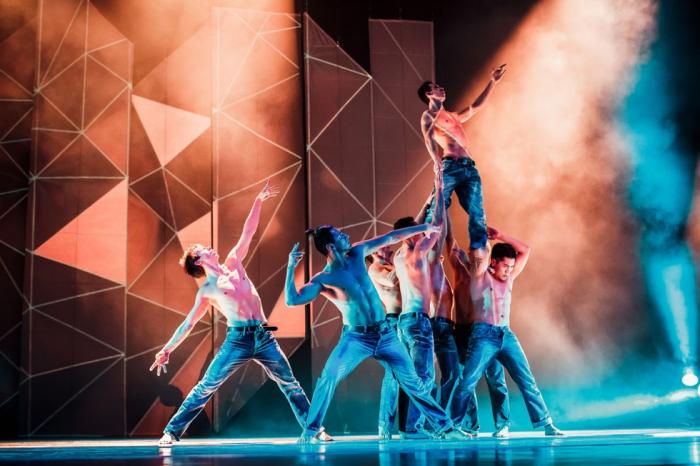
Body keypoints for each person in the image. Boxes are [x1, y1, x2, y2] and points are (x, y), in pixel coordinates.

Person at [150, 182, 329, 446]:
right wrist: (167, 349)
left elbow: (248, 232)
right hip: (238, 340)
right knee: (207, 386)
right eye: (202, 249)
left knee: (290, 383)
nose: (209, 248)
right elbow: (188, 324)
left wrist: (258, 201)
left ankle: (314, 430)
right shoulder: (207, 290)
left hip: (264, 337)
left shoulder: (234, 263)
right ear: (198, 261)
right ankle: (171, 431)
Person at [285, 220, 471, 443]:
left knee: (414, 382)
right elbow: (292, 300)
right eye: (340, 235)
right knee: (329, 377)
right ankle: (311, 431)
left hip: (385, 335)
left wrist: (424, 228)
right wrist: (290, 267)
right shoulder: (324, 279)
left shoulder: (357, 253)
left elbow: (390, 238)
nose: (346, 236)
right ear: (330, 247)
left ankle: (446, 428)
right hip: (356, 338)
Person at [447, 226, 564, 436]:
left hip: (506, 334)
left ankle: (545, 423)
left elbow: (525, 250)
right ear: (493, 262)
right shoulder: (481, 276)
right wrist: (481, 236)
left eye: (511, 266)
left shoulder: (509, 277)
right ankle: (453, 427)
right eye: (505, 266)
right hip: (483, 336)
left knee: (526, 379)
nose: (509, 270)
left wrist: (500, 235)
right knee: (468, 381)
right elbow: (477, 255)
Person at [418, 64, 506, 253]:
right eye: (436, 87)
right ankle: (425, 246)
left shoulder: (452, 116)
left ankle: (478, 252)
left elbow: (475, 107)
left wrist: (493, 82)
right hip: (451, 165)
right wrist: (436, 160)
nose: (441, 88)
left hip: (469, 167)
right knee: (438, 205)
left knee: (477, 211)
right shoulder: (429, 115)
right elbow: (428, 137)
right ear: (429, 94)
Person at [391, 165, 447, 438]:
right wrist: (440, 191)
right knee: (424, 376)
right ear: (411, 235)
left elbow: (415, 225)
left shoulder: (399, 255)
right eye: (416, 230)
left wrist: (428, 200)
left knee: (414, 376)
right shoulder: (417, 252)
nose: (420, 232)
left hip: (405, 322)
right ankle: (413, 427)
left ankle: (410, 425)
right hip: (417, 321)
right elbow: (437, 226)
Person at [446, 216, 510, 437]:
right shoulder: (459, 267)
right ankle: (470, 425)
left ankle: (502, 424)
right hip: (462, 331)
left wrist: (483, 229)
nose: (476, 255)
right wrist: (444, 212)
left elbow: (487, 248)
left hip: (484, 331)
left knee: (495, 377)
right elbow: (449, 240)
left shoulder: (487, 275)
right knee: (465, 379)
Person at [366, 246, 403, 439]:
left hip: (404, 321)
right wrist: (405, 260)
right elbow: (391, 280)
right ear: (373, 253)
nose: (388, 247)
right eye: (383, 246)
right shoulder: (375, 268)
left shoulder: (391, 266)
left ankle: (410, 426)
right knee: (393, 375)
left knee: (410, 375)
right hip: (393, 322)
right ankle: (385, 427)